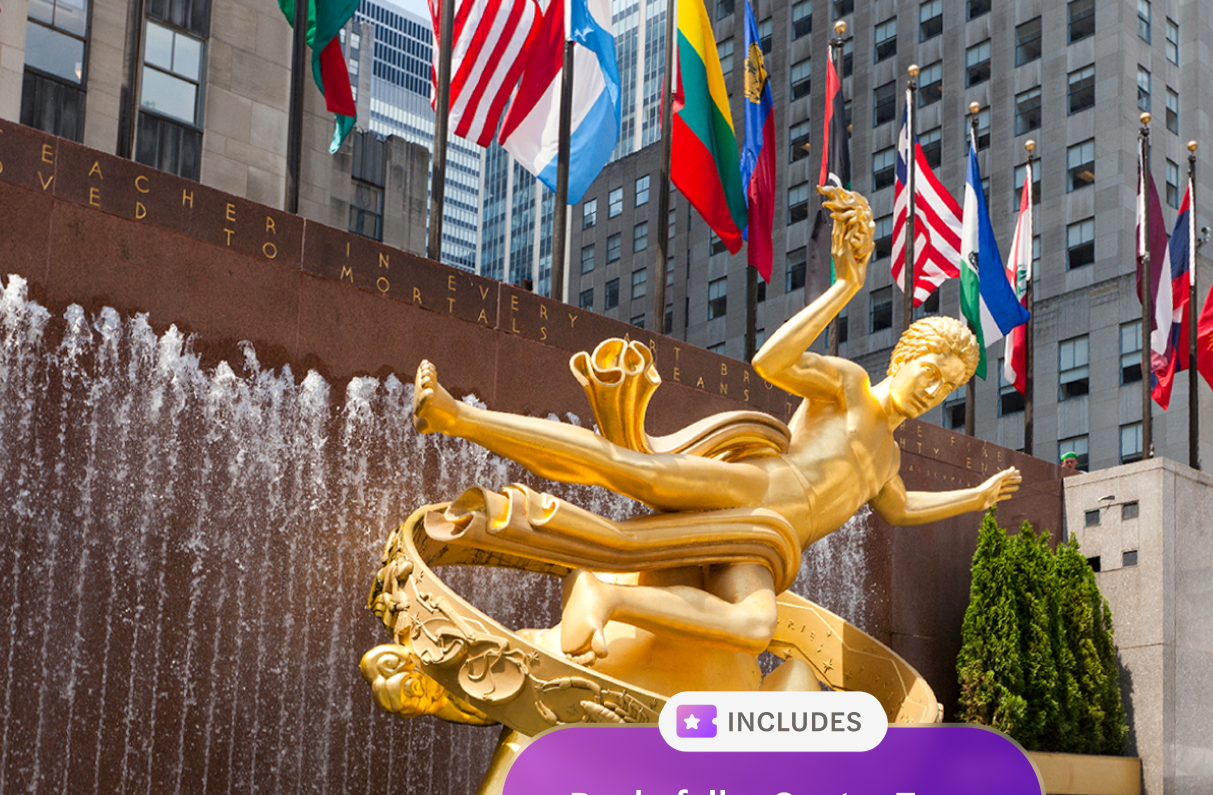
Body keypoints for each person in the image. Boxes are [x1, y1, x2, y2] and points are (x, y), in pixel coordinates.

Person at [413, 187, 1021, 661]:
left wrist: (977, 495)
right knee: (630, 469)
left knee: (755, 627)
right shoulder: (848, 386)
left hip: (769, 546)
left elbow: (901, 509)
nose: (935, 393)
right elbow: (771, 362)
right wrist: (843, 288)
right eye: (932, 376)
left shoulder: (887, 459)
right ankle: (458, 414)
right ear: (907, 357)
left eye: (947, 390)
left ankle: (612, 596)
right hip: (758, 489)